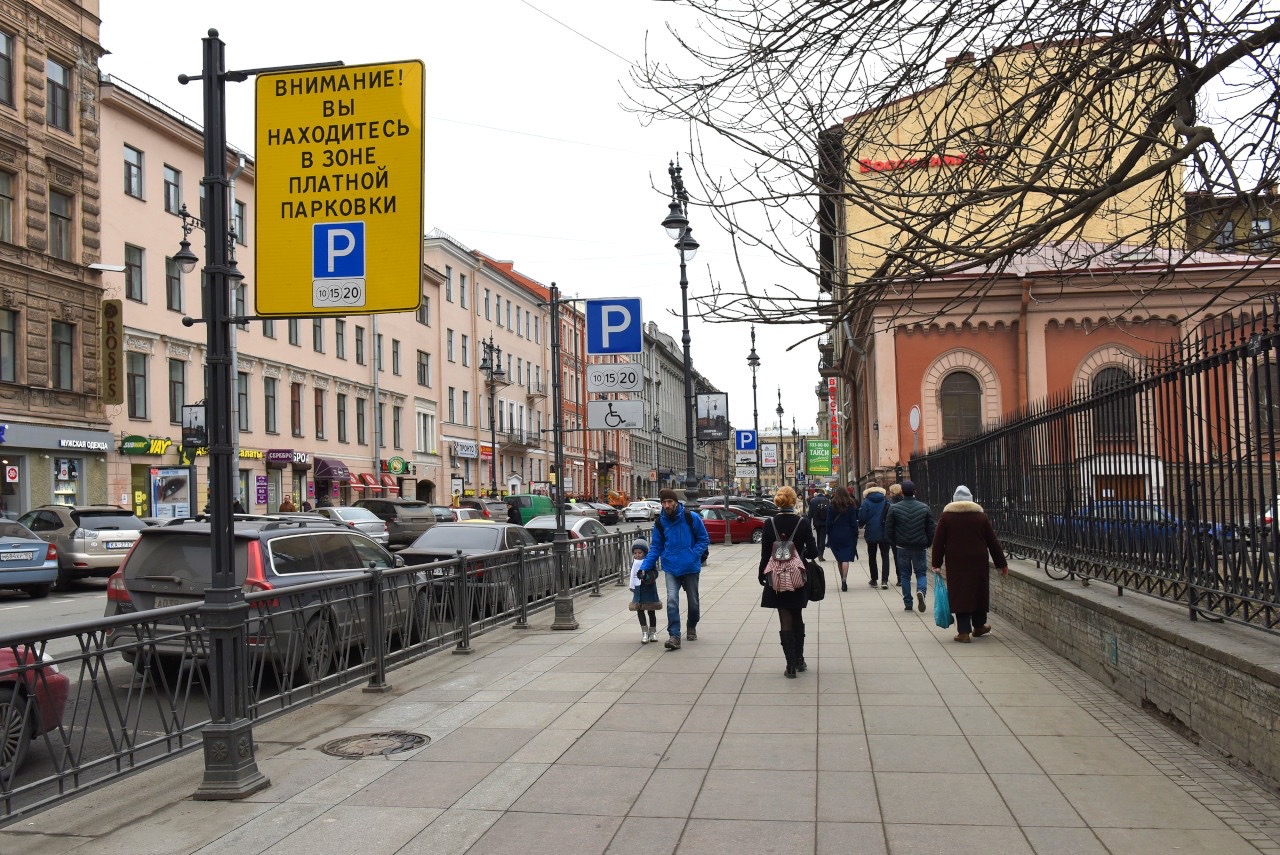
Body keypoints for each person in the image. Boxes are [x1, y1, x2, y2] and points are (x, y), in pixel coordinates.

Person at [932, 485, 1009, 642]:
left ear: (954, 500)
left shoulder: (946, 517)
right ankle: (979, 626)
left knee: (961, 592)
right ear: (971, 499)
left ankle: (964, 632)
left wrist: (936, 563)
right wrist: (1002, 563)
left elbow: (938, 542)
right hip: (978, 560)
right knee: (978, 590)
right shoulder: (981, 517)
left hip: (956, 561)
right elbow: (992, 541)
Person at [638, 488, 710, 650]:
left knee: (693, 603)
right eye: (663, 502)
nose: (666, 505)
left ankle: (691, 625)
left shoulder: (691, 518)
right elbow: (656, 547)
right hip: (671, 566)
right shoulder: (660, 523)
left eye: (669, 502)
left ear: (676, 502)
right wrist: (644, 567)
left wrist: (693, 554)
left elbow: (704, 539)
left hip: (690, 566)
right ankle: (674, 636)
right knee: (671, 601)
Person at [759, 486, 818, 678]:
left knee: (784, 617)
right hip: (797, 577)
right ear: (793, 501)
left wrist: (762, 574)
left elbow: (765, 553)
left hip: (776, 577)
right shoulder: (803, 522)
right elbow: (814, 552)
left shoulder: (769, 523)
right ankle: (800, 659)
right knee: (797, 616)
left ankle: (790, 665)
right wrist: (799, 554)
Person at [885, 480, 935, 613]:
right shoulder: (924, 507)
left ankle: (908, 603)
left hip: (902, 546)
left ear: (902, 492)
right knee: (921, 573)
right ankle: (921, 591)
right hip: (919, 546)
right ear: (915, 492)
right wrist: (928, 542)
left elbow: (889, 529)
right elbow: (931, 529)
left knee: (905, 575)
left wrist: (895, 542)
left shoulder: (894, 508)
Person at [825, 485, 859, 591]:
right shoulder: (851, 505)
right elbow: (854, 522)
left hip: (835, 534)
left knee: (840, 559)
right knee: (845, 559)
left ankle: (842, 579)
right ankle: (844, 580)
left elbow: (829, 522)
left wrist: (828, 534)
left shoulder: (832, 505)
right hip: (848, 534)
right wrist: (855, 533)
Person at [629, 538, 662, 643]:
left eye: (640, 553)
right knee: (640, 610)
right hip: (638, 590)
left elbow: (655, 574)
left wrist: (646, 577)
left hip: (649, 589)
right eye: (635, 553)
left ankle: (653, 632)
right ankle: (644, 632)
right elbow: (632, 575)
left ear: (645, 552)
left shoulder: (649, 562)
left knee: (651, 610)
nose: (637, 555)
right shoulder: (633, 563)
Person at [858, 484, 891, 588]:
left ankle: (874, 580)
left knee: (872, 556)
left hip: (871, 531)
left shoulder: (866, 502)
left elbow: (862, 517)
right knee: (885, 556)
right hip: (885, 531)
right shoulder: (886, 501)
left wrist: (861, 524)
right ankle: (884, 581)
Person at [806, 486, 831, 561]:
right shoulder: (827, 500)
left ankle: (817, 552)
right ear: (823, 493)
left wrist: (809, 523)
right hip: (824, 522)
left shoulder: (813, 501)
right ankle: (821, 554)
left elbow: (810, 513)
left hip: (816, 522)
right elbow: (829, 513)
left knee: (818, 536)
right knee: (822, 538)